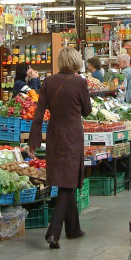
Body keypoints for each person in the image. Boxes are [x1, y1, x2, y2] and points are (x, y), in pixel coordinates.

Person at [28, 47, 92, 249]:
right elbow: (88, 111)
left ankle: (73, 229)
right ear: (75, 61)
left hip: (54, 134)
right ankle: (53, 232)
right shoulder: (79, 82)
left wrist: (34, 142)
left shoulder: (48, 81)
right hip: (72, 135)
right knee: (68, 183)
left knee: (66, 179)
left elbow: (38, 114)